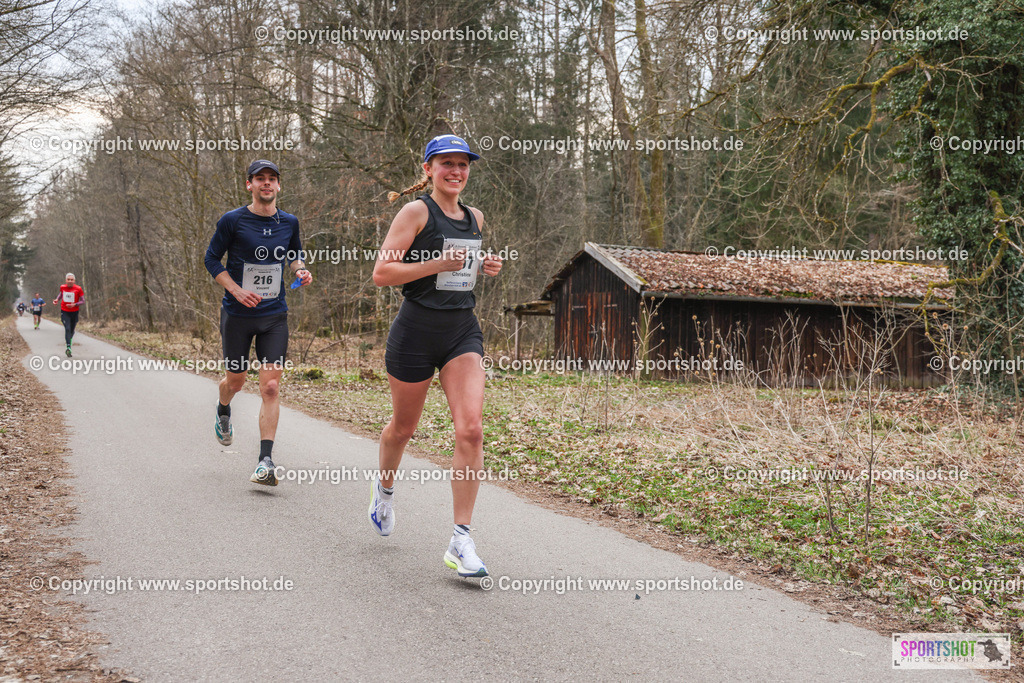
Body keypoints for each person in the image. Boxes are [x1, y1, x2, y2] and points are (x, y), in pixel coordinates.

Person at [370, 134, 503, 578]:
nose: (456, 171)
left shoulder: (475, 217)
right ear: (428, 169)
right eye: (447, 163)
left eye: (463, 164)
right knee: (402, 428)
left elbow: (460, 271)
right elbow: (382, 273)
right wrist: (436, 265)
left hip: (461, 331)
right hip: (415, 331)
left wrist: (483, 266)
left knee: (471, 430)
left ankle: (461, 540)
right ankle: (384, 491)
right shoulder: (415, 212)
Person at [204, 159, 311, 486]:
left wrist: (300, 271)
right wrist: (235, 290)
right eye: (260, 178)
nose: (267, 183)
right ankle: (223, 408)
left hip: (273, 315)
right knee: (236, 381)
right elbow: (211, 258)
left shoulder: (289, 222)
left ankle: (265, 461)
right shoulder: (232, 220)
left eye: (272, 179)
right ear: (249, 184)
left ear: (279, 185)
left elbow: (294, 253)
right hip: (237, 316)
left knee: (271, 386)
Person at [53, 274, 84, 356]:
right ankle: (68, 348)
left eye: (71, 279)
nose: (70, 281)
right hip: (65, 311)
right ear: (66, 280)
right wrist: (57, 299)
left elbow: (83, 301)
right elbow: (61, 294)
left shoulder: (78, 289)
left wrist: (75, 304)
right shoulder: (62, 287)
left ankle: (68, 341)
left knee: (72, 331)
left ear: (74, 281)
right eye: (68, 279)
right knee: (67, 328)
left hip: (74, 312)